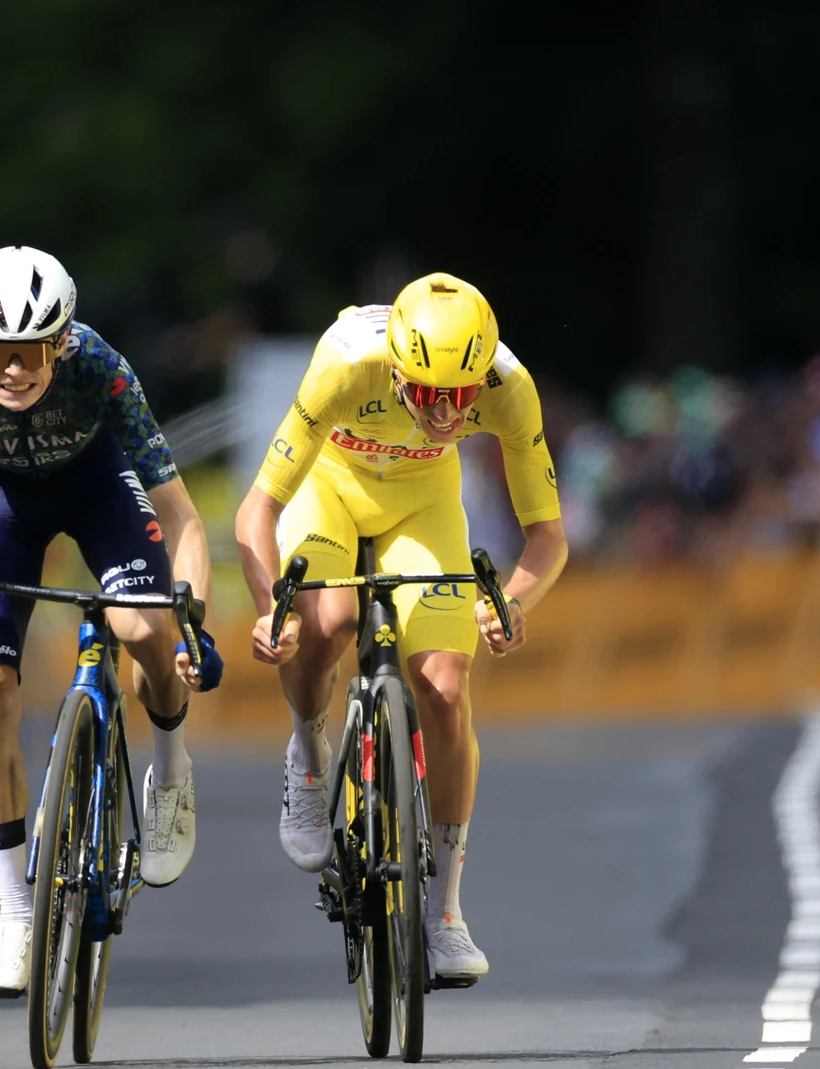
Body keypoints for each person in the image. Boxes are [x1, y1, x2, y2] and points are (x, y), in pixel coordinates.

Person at [232, 273, 568, 982]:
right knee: (328, 621)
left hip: (424, 504)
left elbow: (548, 536)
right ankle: (307, 750)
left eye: (461, 396)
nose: (446, 414)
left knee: (444, 687)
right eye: (426, 395)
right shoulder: (346, 361)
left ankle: (445, 911)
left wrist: (512, 602)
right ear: (395, 369)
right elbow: (256, 510)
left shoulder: (508, 383)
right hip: (330, 492)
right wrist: (271, 607)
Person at [0, 245, 225, 997]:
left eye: (29, 352)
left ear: (59, 341)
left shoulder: (101, 367)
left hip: (94, 481)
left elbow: (180, 514)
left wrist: (195, 624)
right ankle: (16, 913)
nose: (11, 369)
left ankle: (172, 776)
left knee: (142, 629)